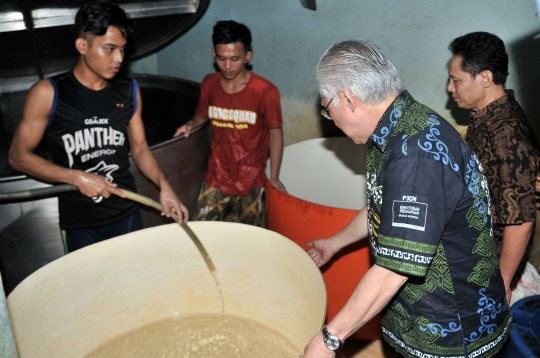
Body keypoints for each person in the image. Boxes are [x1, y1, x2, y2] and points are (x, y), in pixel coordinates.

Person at [302, 39, 510, 358]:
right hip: (418, 320)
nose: (331, 118)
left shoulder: (415, 155)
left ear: (348, 99)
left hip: (453, 334)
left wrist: (330, 338)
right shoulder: (394, 126)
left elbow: (393, 270)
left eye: (328, 110)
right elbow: (384, 207)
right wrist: (333, 243)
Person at [8, 0, 188, 253]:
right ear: (83, 45)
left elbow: (139, 148)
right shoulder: (49, 93)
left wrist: (164, 185)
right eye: (109, 49)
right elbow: (17, 157)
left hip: (126, 213)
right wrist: (77, 177)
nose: (119, 58)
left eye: (123, 49)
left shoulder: (129, 91)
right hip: (80, 223)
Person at [448, 32, 538, 304]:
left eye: (456, 80)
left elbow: (520, 221)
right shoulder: (488, 115)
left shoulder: (505, 135)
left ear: (485, 78)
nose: (450, 88)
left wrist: (502, 281)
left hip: (489, 265)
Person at [174, 20, 286, 226]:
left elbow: (275, 133)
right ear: (213, 53)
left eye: (234, 59)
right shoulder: (209, 84)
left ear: (247, 56)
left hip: (251, 178)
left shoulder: (265, 91)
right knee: (201, 231)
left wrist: (274, 175)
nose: (227, 66)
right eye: (221, 58)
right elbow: (200, 117)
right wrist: (190, 124)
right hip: (216, 174)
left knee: (248, 238)